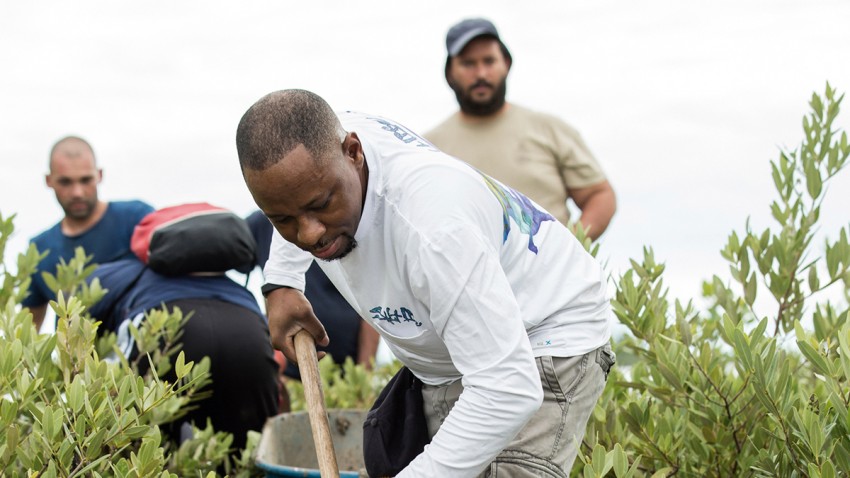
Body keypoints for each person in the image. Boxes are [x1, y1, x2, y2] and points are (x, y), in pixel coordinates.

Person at [236, 89, 615, 477]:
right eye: (282, 219)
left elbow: (507, 387)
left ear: (354, 152)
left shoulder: (434, 230)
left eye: (321, 206)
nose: (310, 234)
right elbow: (294, 198)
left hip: (543, 334)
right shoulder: (320, 149)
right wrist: (281, 284)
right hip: (452, 357)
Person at [425, 18, 617, 240]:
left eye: (489, 61)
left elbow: (599, 195)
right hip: (464, 273)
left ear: (506, 64)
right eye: (468, 64)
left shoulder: (550, 129)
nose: (481, 74)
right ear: (450, 72)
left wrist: (568, 249)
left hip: (549, 272)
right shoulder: (428, 150)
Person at [86, 257, 280, 450]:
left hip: (164, 322)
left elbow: (79, 339)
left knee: (131, 446)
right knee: (249, 451)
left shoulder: (115, 272)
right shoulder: (224, 277)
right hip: (246, 328)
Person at [23, 136, 153, 330]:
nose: (77, 192)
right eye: (65, 182)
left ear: (99, 175)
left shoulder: (136, 219)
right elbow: (28, 332)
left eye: (85, 180)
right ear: (49, 181)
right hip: (77, 358)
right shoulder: (39, 248)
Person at [245, 210, 380, 377]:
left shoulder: (343, 212)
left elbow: (372, 300)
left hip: (348, 369)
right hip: (287, 368)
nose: (309, 236)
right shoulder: (261, 222)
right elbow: (229, 251)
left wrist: (364, 374)